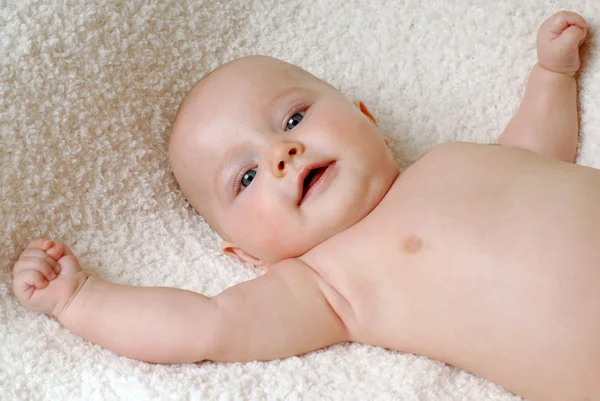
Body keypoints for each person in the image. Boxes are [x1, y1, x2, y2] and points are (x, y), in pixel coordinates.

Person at [12, 11, 597, 400]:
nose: (281, 153)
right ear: (247, 256)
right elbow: (205, 326)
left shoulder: (452, 158)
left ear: (370, 123)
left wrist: (551, 75)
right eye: (244, 178)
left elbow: (534, 153)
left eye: (293, 118)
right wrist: (81, 299)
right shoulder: (327, 285)